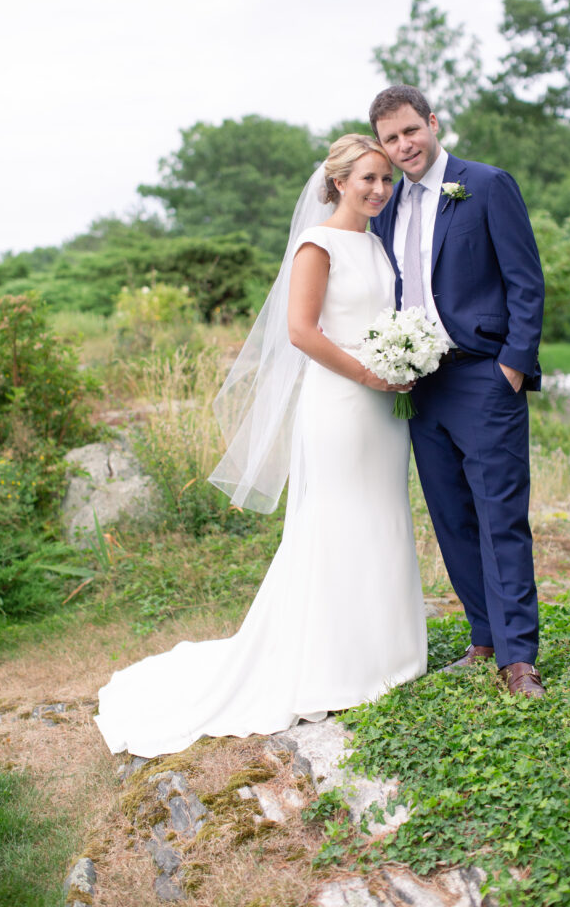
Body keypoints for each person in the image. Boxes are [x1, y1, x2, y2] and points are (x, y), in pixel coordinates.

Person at [95, 135, 427, 757]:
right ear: (337, 182)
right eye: (368, 179)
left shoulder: (377, 245)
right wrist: (367, 372)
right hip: (343, 402)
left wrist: (402, 359)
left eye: (386, 179)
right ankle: (331, 664)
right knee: (336, 518)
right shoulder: (317, 244)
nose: (380, 189)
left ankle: (387, 651)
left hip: (386, 407)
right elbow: (301, 331)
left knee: (383, 515)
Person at [368, 85, 546, 698]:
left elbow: (525, 280)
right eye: (391, 139)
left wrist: (513, 368)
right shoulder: (385, 208)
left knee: (501, 516)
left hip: (484, 376)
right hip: (421, 387)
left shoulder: (486, 184)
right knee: (452, 517)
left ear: (432, 123)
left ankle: (519, 658)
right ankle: (483, 639)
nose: (404, 146)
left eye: (411, 131)